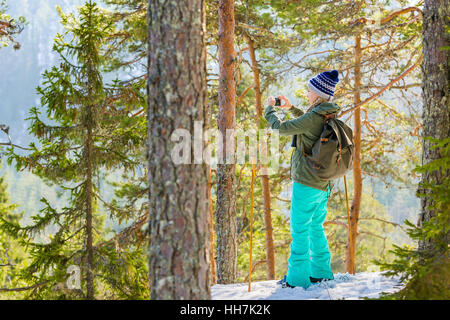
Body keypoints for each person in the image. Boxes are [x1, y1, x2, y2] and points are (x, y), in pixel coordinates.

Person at [264, 70, 340, 289]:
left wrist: (270, 109)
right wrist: (291, 108)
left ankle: (296, 280)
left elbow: (281, 128)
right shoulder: (328, 113)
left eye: (310, 90)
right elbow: (307, 122)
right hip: (323, 184)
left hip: (306, 184)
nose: (307, 93)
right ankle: (322, 272)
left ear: (317, 95)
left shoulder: (314, 117)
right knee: (316, 227)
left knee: (299, 230)